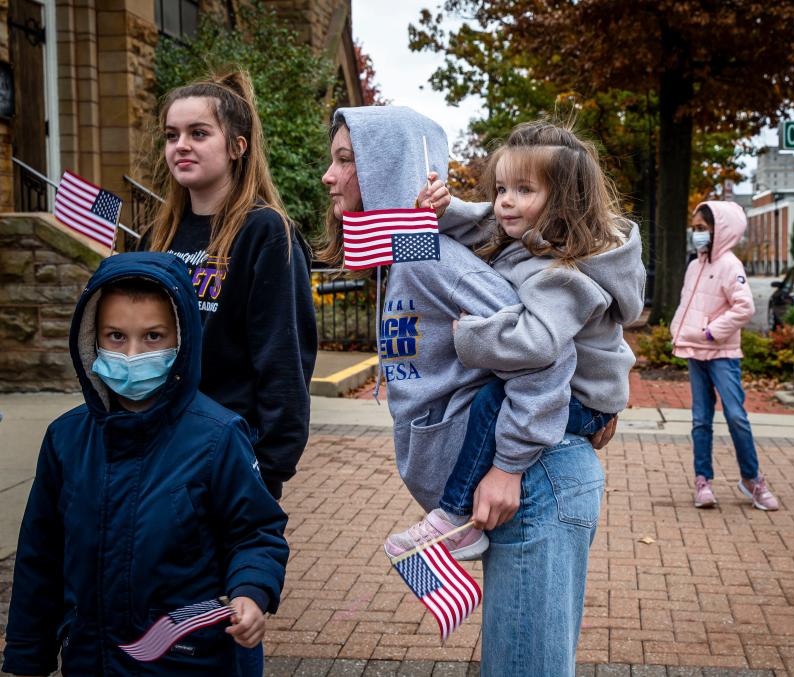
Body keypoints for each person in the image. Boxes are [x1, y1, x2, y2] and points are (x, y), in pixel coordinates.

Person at [319, 107, 617, 676]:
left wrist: (507, 465)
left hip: (533, 482)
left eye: (345, 161)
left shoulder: (430, 257)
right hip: (522, 486)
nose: (330, 178)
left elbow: (544, 351)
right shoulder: (411, 254)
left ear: (388, 168)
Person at [1, 253, 289, 676]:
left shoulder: (218, 435)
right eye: (116, 336)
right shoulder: (66, 438)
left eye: (153, 337)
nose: (133, 354)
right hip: (90, 660)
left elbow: (255, 532)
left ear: (182, 338)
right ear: (90, 339)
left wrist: (251, 590)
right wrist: (28, 657)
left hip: (190, 662)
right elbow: (39, 556)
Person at [383, 121, 644, 561]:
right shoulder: (532, 233)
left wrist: (471, 336)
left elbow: (538, 344)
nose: (505, 201)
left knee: (492, 402)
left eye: (523, 189)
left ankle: (453, 518)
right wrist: (441, 210)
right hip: (586, 397)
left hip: (584, 401)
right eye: (501, 187)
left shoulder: (560, 273)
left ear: (564, 201)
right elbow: (482, 222)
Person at [146, 70, 317, 502]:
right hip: (157, 449)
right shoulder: (157, 236)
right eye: (172, 135)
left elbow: (283, 356)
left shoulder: (265, 232)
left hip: (230, 456)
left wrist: (267, 465)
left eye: (198, 133)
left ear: (237, 147)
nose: (180, 145)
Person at [670, 201, 780, 511]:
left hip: (722, 353)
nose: (697, 234)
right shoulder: (695, 265)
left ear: (720, 231)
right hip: (696, 352)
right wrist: (679, 330)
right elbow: (688, 304)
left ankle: (752, 480)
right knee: (700, 420)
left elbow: (744, 307)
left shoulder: (731, 265)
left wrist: (710, 332)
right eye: (694, 228)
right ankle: (703, 480)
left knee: (736, 416)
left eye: (702, 229)